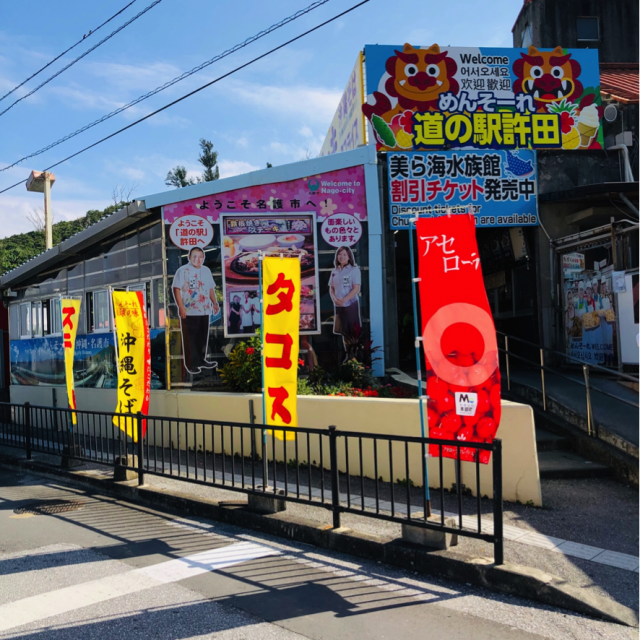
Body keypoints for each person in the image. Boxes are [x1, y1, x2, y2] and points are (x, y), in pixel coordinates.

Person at [172, 247, 219, 374]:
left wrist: (215, 303)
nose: (197, 259)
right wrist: (180, 306)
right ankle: (190, 364)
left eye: (200, 257)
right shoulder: (182, 271)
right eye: (195, 256)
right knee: (190, 338)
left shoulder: (206, 271)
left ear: (203, 258)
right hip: (189, 310)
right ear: (189, 257)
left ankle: (202, 360)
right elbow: (176, 289)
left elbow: (210, 289)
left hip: (204, 309)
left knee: (202, 337)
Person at [330, 246, 362, 340]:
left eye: (344, 254)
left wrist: (344, 300)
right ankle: (347, 354)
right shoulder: (335, 271)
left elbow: (356, 288)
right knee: (343, 332)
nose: (341, 257)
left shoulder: (354, 270)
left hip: (350, 305)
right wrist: (335, 299)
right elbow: (331, 288)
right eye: (339, 254)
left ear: (349, 256)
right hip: (339, 306)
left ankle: (354, 354)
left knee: (353, 333)